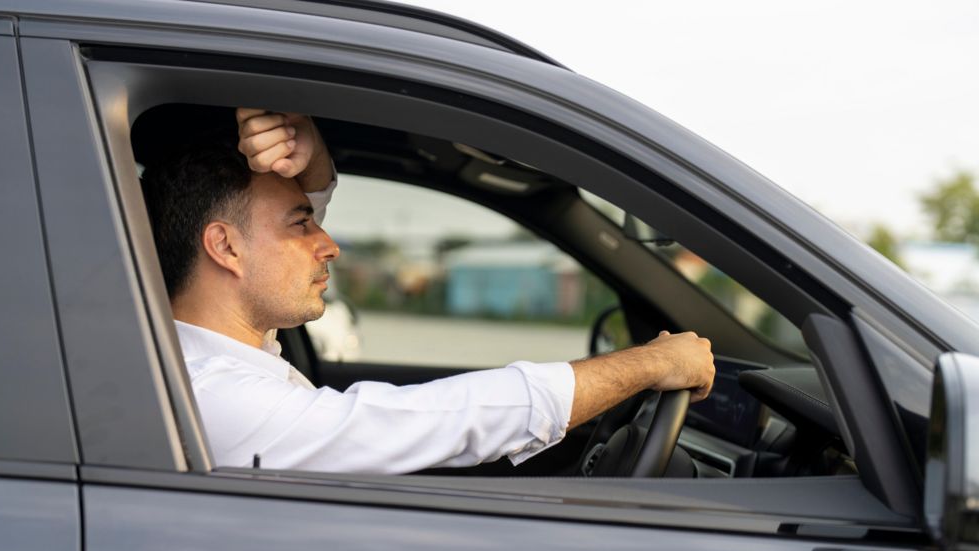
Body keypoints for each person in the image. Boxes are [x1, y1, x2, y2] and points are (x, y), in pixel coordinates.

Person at [141, 107, 715, 474]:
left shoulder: (223, 353)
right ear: (225, 248)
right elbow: (430, 419)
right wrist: (648, 364)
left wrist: (310, 151)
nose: (329, 244)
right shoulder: (214, 397)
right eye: (302, 224)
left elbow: (270, 232)